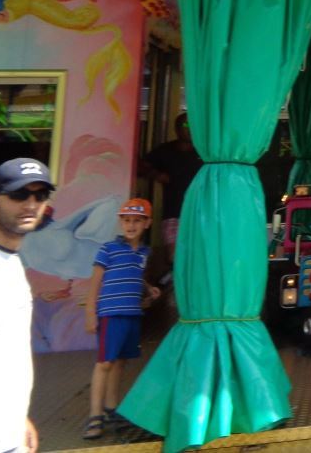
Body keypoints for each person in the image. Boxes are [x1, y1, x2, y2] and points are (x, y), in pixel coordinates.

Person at [83, 198, 160, 441]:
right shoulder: (108, 249)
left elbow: (133, 274)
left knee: (119, 363)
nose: (131, 225)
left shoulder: (145, 253)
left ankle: (111, 409)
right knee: (105, 362)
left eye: (137, 221)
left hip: (132, 314)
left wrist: (148, 288)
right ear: (121, 223)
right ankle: (94, 415)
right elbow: (95, 282)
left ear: (147, 223)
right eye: (126, 220)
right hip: (110, 314)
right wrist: (90, 313)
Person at [0, 157, 55, 453]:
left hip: (10, 433)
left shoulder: (12, 260)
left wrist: (18, 417)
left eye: (40, 195)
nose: (31, 204)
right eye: (19, 194)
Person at [141, 114, 202, 269]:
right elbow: (141, 166)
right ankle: (171, 282)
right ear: (177, 129)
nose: (190, 129)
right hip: (173, 214)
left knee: (197, 257)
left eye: (193, 124)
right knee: (173, 257)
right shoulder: (166, 150)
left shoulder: (204, 152)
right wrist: (156, 174)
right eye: (186, 125)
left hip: (200, 215)